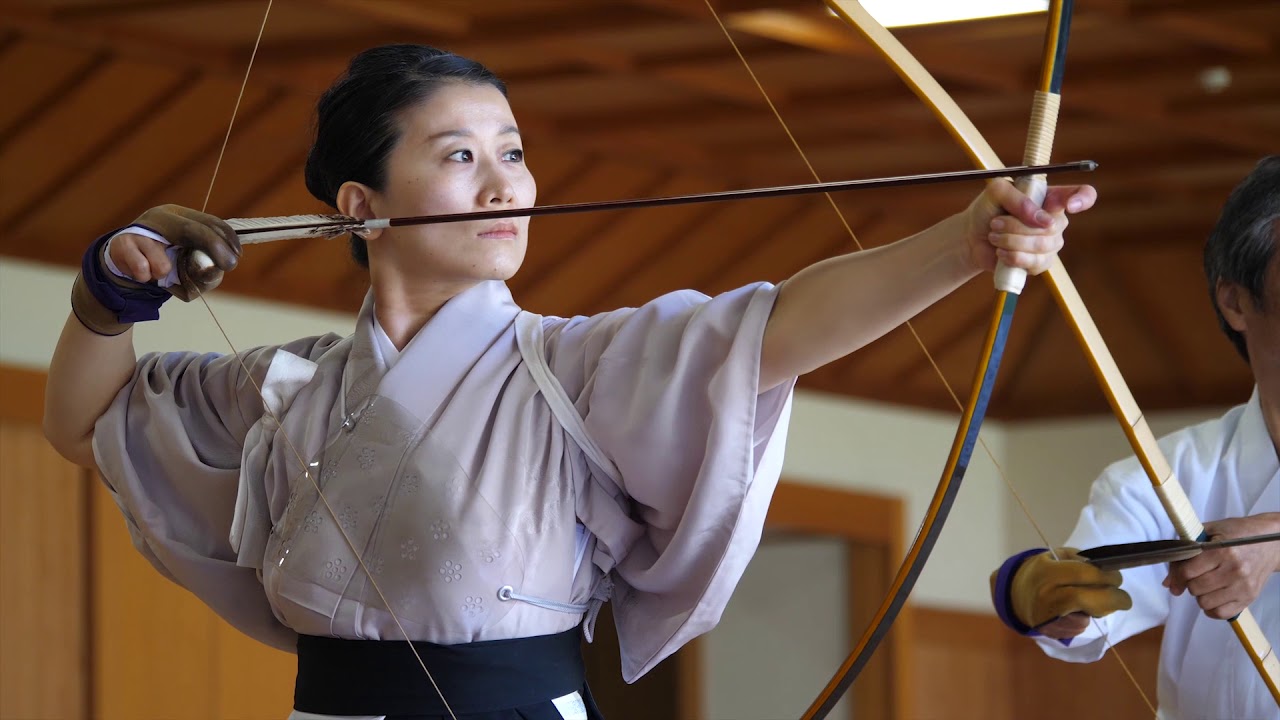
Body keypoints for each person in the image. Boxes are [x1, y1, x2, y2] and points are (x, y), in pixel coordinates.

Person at [43, 44, 1093, 720]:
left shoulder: (574, 365)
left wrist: (962, 244)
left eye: (512, 149)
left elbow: (780, 328)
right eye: (459, 156)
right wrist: (111, 293)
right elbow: (85, 418)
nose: (506, 183)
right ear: (361, 205)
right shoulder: (289, 385)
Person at [990, 156, 1280, 720]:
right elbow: (1082, 604)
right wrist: (1038, 592)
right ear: (1236, 301)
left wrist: (1272, 538)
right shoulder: (1168, 475)